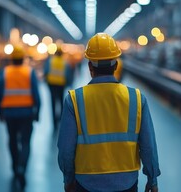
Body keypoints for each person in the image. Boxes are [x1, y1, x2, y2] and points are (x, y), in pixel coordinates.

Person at [58, 33, 160, 192]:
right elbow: (148, 146)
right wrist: (152, 179)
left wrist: (68, 179)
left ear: (90, 67)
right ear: (116, 65)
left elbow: (66, 150)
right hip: (127, 182)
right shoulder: (136, 98)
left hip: (86, 182)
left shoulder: (74, 100)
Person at [0, 46, 41, 189]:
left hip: (9, 113)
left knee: (12, 140)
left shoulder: (5, 73)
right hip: (27, 113)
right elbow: (36, 94)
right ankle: (22, 167)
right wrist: (37, 112)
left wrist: (0, 112)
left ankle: (15, 167)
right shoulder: (29, 72)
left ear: (11, 59)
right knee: (26, 142)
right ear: (23, 58)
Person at [44, 45, 72, 131]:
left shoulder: (50, 61)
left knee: (53, 102)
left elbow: (46, 72)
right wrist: (67, 83)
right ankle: (60, 119)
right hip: (61, 85)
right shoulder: (65, 63)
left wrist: (47, 82)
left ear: (56, 53)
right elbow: (68, 75)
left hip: (52, 84)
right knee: (60, 101)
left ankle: (54, 122)